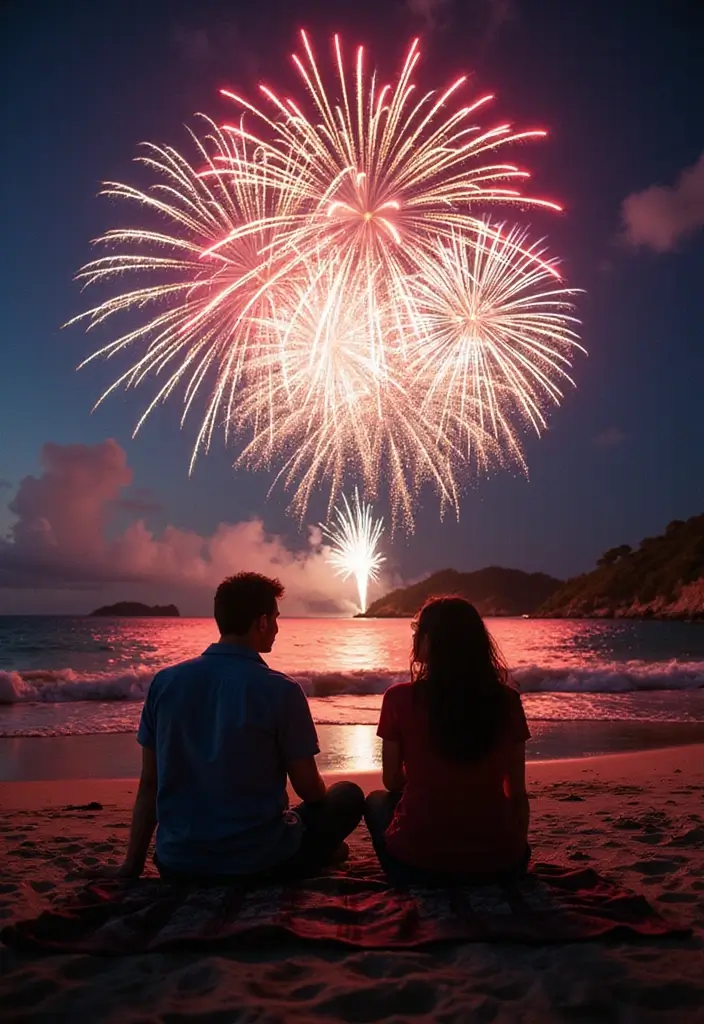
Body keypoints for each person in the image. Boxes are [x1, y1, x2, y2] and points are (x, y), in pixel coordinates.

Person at [112, 572, 364, 882]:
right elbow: (309, 790)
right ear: (261, 622)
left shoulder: (164, 683)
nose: (276, 628)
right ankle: (318, 852)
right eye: (275, 619)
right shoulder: (281, 690)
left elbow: (149, 785)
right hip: (259, 863)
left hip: (178, 864)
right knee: (347, 795)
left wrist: (132, 866)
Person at [364, 596, 531, 886]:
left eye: (417, 632)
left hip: (418, 867)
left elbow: (392, 780)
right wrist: (513, 851)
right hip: (501, 866)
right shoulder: (507, 701)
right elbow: (516, 792)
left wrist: (430, 779)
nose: (414, 639)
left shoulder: (399, 698)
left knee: (378, 801)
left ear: (430, 640)